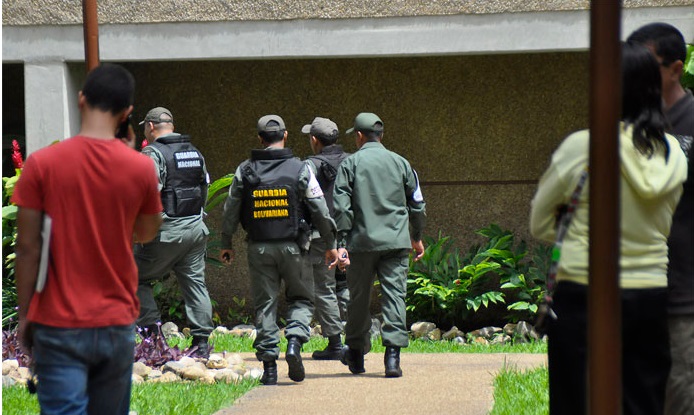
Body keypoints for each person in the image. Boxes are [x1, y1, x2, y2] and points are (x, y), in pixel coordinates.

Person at [530, 42, 688, 415]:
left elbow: (539, 222)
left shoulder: (581, 147)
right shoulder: (673, 152)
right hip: (650, 293)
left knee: (575, 401)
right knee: (644, 403)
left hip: (583, 293)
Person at [12, 63, 162, 415]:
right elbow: (146, 231)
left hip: (58, 322)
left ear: (81, 99)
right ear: (127, 113)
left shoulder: (41, 164)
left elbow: (28, 247)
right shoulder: (140, 167)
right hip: (115, 322)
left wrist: (25, 315)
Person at [219, 114, 343, 385]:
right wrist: (331, 244)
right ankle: (295, 344)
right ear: (285, 136)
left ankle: (270, 370)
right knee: (301, 299)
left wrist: (226, 242)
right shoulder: (300, 168)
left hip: (259, 248)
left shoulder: (246, 170)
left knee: (266, 304)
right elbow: (320, 208)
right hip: (295, 247)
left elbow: (230, 211)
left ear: (260, 139)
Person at [627, 23, 694, 415]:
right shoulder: (628, 128)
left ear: (676, 68)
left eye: (646, 64)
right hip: (634, 297)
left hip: (684, 298)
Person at [333, 112, 426, 378]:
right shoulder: (401, 163)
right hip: (396, 243)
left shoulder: (350, 164)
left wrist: (341, 242)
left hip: (361, 243)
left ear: (359, 136)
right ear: (381, 136)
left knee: (359, 299)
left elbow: (341, 207)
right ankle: (392, 359)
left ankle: (356, 354)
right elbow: (417, 203)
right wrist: (416, 236)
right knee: (395, 296)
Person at [133, 107, 215, 357]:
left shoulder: (152, 153)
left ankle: (153, 336)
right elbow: (204, 187)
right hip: (195, 229)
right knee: (195, 283)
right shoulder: (194, 152)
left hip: (167, 232)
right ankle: (202, 344)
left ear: (150, 126)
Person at [302, 116, 351, 360]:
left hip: (323, 236)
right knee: (346, 285)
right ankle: (354, 336)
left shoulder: (310, 165)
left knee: (324, 288)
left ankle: (335, 344)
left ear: (314, 140)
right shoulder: (353, 161)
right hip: (351, 234)